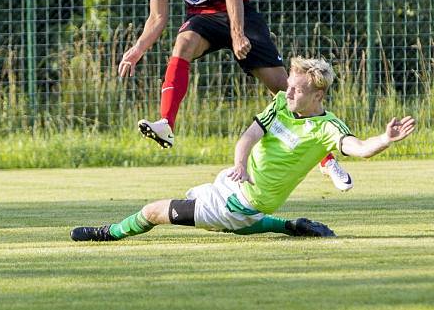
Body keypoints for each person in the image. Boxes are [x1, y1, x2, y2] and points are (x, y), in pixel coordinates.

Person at [120, 0, 352, 191]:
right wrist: (138, 49)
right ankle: (166, 124)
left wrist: (238, 33)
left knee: (284, 91)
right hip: (203, 17)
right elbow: (158, 17)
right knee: (182, 46)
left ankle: (327, 158)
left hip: (237, 11)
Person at [71, 57, 416, 242]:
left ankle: (107, 233)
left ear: (318, 96)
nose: (288, 93)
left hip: (236, 203)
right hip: (232, 182)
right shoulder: (281, 104)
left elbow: (358, 147)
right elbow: (248, 136)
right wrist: (240, 164)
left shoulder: (327, 128)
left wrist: (385, 139)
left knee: (153, 211)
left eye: (297, 90)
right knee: (225, 215)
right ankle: (290, 226)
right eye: (290, 87)